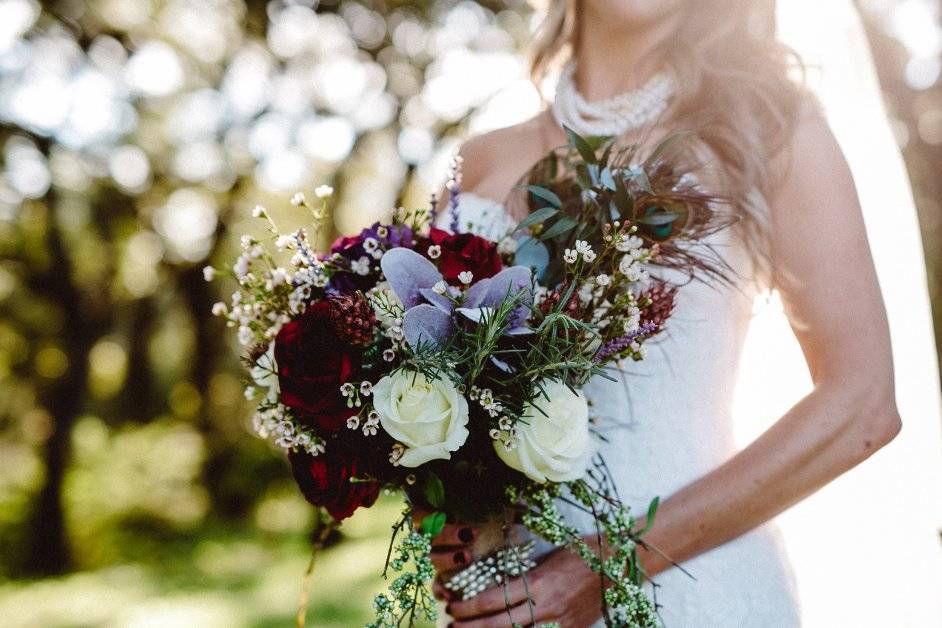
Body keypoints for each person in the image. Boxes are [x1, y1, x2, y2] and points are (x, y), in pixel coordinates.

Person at [425, 1, 914, 626]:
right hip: (505, 602)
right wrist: (445, 518)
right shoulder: (480, 161)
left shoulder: (763, 129)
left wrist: (605, 564)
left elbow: (862, 407)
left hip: (696, 591)